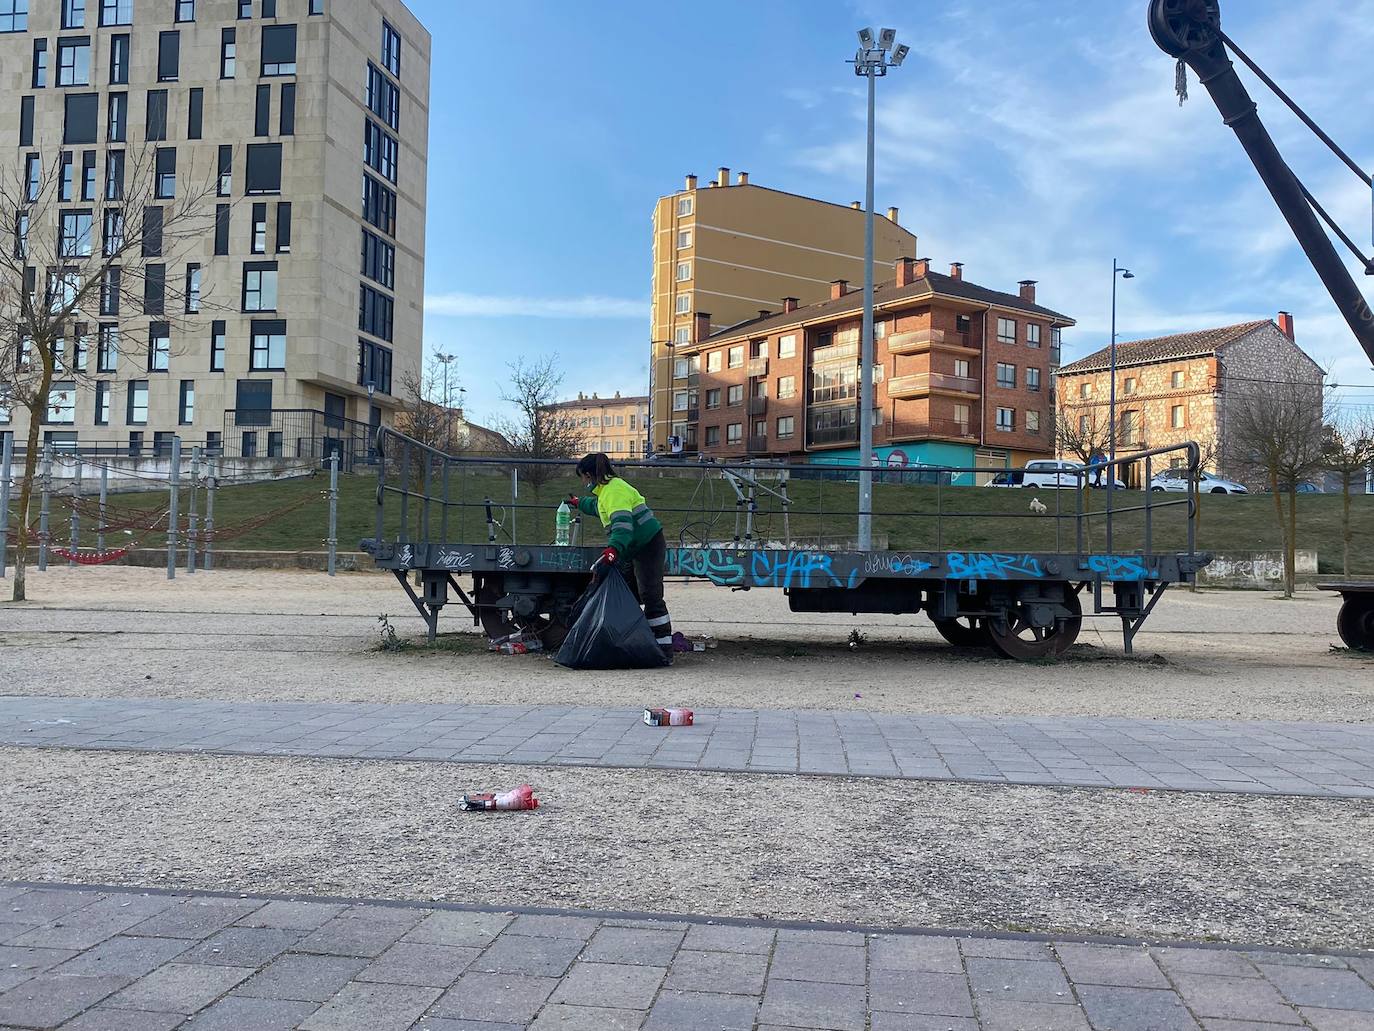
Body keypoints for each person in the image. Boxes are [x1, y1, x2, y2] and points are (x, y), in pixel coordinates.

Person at [569, 453, 673, 660]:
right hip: (634, 546)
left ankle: (663, 649)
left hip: (647, 544)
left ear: (589, 475)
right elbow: (599, 507)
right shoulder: (608, 491)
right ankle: (638, 640)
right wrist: (579, 503)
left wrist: (612, 550)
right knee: (627, 593)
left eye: (583, 477)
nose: (582, 482)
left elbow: (623, 527)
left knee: (650, 595)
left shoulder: (614, 492)